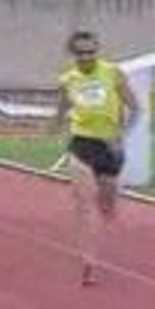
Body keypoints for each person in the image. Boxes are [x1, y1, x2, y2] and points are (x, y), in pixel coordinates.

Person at [57, 30, 139, 286]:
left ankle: (109, 210)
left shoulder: (113, 73)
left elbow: (135, 108)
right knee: (84, 205)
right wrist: (52, 126)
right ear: (73, 55)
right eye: (80, 53)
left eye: (91, 52)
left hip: (110, 146)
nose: (86, 57)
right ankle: (88, 262)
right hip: (81, 143)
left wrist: (121, 135)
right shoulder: (67, 80)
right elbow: (63, 109)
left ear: (97, 51)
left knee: (107, 207)